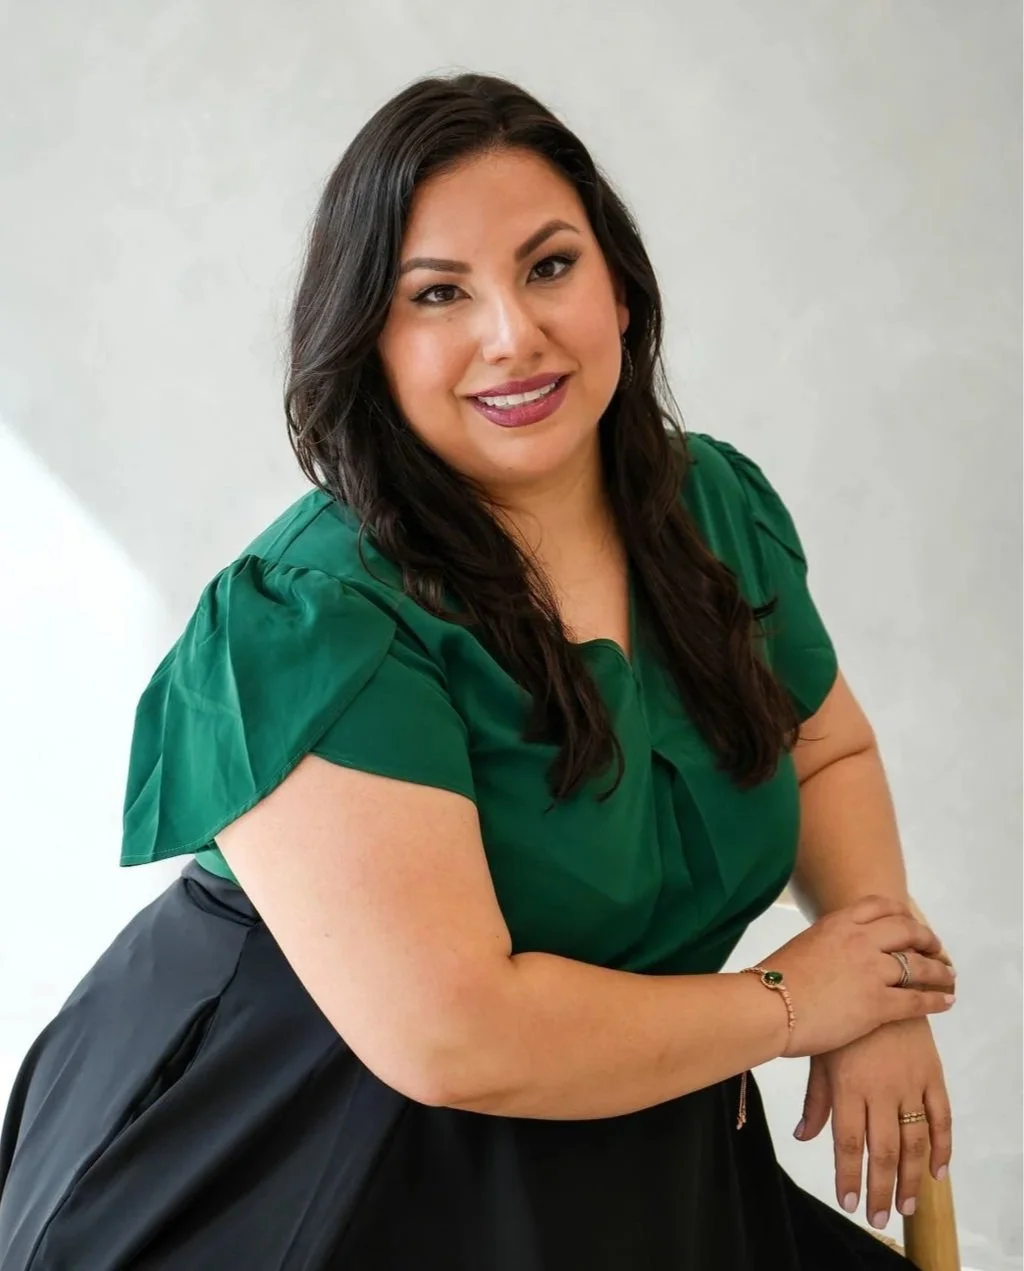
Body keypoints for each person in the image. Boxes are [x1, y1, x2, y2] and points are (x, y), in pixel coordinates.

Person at [0, 72, 955, 1270]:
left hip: (616, 1135)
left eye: (549, 266)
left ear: (619, 282)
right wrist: (794, 1002)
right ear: (368, 340)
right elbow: (457, 1037)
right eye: (438, 294)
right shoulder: (314, 613)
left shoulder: (707, 502)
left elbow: (823, 746)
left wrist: (878, 989)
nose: (514, 333)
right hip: (315, 1159)